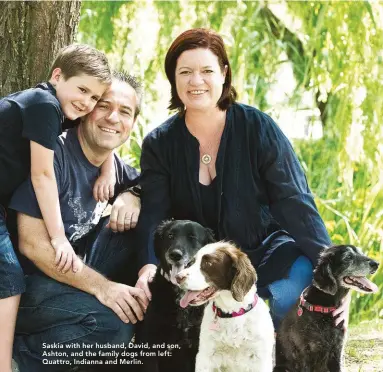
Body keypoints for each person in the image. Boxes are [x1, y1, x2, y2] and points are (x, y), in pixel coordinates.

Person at [135, 28, 350, 330]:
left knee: (296, 291)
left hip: (267, 253)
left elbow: (296, 203)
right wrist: (147, 265)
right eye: (185, 72)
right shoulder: (160, 143)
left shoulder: (258, 128)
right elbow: (154, 212)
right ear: (173, 78)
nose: (196, 81)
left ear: (224, 73)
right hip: (201, 268)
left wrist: (336, 273)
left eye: (206, 70)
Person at [8, 71, 152, 372]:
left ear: (133, 124)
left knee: (138, 225)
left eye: (124, 111)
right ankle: (20, 359)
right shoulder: (53, 153)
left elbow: (153, 188)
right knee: (113, 328)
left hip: (63, 277)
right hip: (20, 287)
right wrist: (104, 288)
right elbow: (31, 244)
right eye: (104, 105)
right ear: (87, 108)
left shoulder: (120, 171)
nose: (113, 117)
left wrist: (134, 194)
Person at [0, 44, 118, 372]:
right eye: (82, 89)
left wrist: (108, 167)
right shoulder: (44, 105)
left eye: (94, 98)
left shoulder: (56, 110)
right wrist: (58, 238)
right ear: (57, 76)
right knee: (8, 276)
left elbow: (95, 139)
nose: (87, 102)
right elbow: (42, 175)